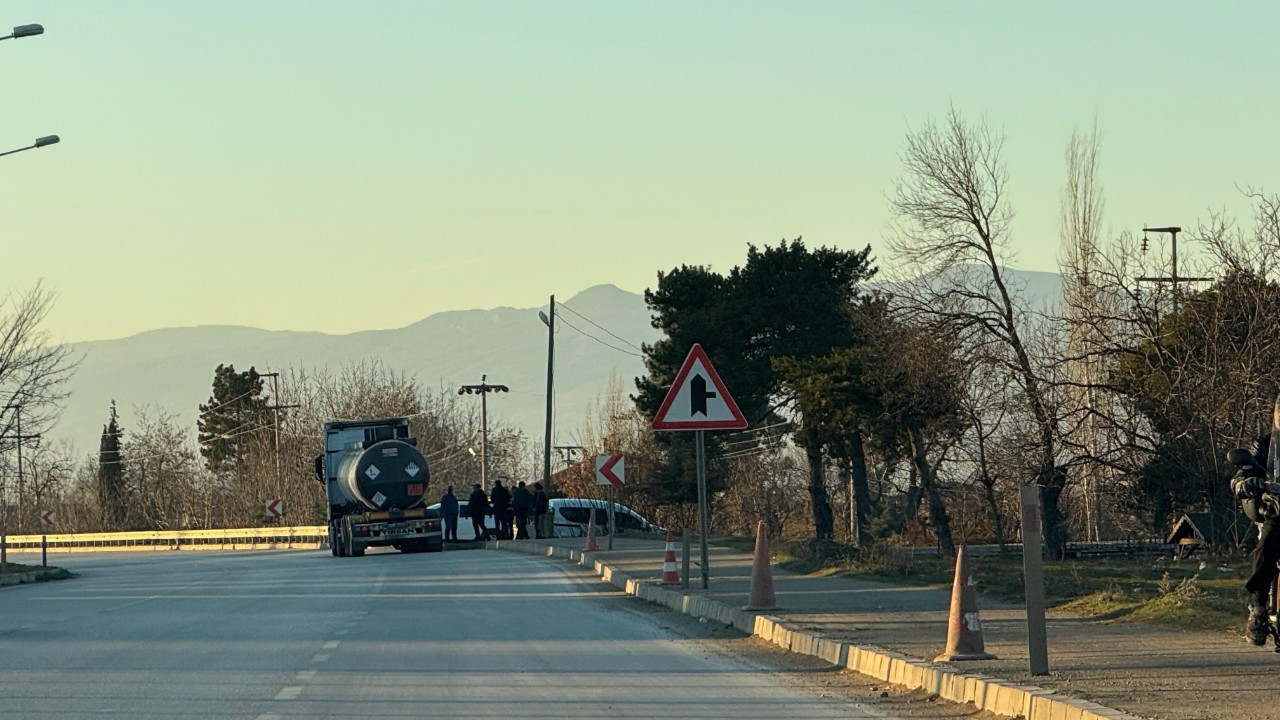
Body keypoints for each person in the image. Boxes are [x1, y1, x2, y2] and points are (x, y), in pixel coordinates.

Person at [1231, 434, 1280, 645]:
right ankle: (1259, 610)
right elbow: (1246, 469)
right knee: (1267, 546)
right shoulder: (1269, 444)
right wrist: (1243, 483)